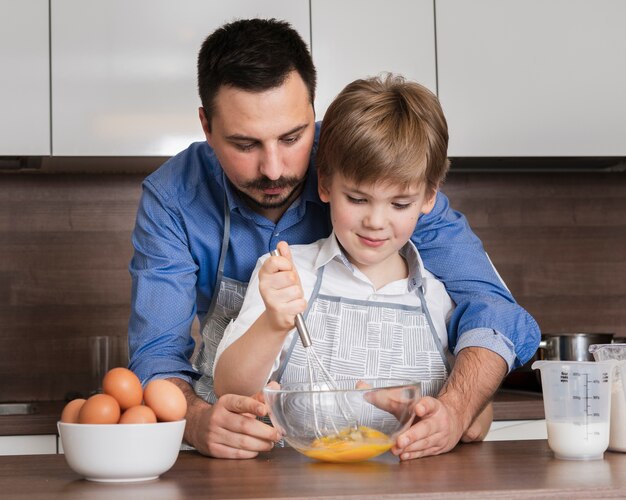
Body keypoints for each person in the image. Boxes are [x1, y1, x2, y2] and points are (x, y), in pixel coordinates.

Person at [128, 18, 540, 460]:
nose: (272, 168)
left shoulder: (369, 162)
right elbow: (158, 354)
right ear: (207, 126)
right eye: (245, 144)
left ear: (312, 110)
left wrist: (460, 406)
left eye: (292, 137)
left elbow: (493, 309)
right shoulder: (173, 198)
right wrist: (196, 421)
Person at [212, 75, 496, 458]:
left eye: (399, 204)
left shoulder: (437, 297)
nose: (376, 222)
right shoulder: (288, 273)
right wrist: (273, 323)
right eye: (358, 199)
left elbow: (476, 416)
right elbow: (230, 386)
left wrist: (460, 416)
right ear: (326, 184)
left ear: (429, 197)